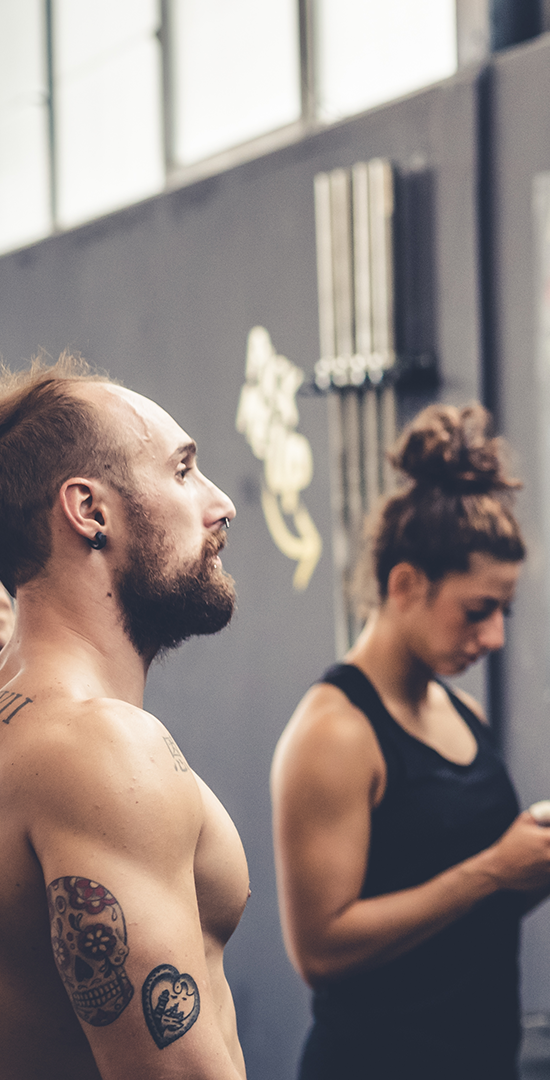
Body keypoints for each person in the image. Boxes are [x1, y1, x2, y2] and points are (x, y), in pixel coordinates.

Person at [271, 402, 550, 1080]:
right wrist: (494, 868)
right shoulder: (334, 732)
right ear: (405, 585)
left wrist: (543, 865)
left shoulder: (463, 713)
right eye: (476, 612)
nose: (495, 638)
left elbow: (456, 914)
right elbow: (321, 952)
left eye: (504, 612)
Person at [0, 355, 249, 1079]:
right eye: (182, 471)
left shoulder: (28, 727)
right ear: (89, 511)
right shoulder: (100, 748)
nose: (220, 503)